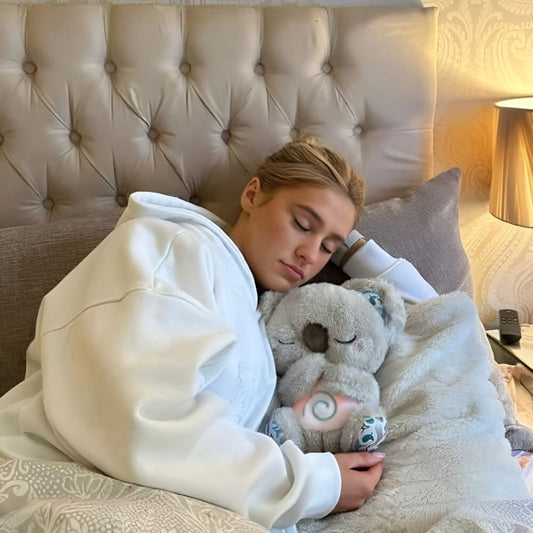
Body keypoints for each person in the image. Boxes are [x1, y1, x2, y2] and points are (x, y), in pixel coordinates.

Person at [0, 135, 436, 532]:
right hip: (57, 476)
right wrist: (312, 483)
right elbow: (140, 421)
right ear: (253, 194)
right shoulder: (169, 249)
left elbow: (434, 312)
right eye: (303, 224)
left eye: (328, 246)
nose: (310, 254)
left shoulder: (257, 315)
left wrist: (356, 251)